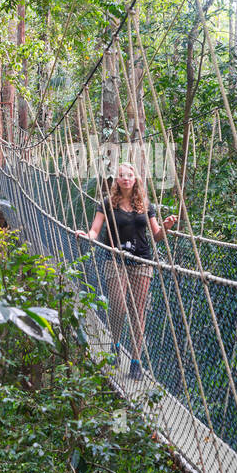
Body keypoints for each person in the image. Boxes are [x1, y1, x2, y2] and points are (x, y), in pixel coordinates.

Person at [76, 162, 178, 379]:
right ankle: (114, 343)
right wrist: (88, 236)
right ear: (116, 180)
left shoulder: (145, 205)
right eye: (121, 175)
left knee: (137, 313)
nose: (125, 178)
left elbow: (156, 235)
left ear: (135, 179)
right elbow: (95, 230)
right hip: (116, 260)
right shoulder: (107, 204)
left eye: (129, 175)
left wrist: (166, 228)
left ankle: (135, 361)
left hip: (142, 261)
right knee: (118, 306)